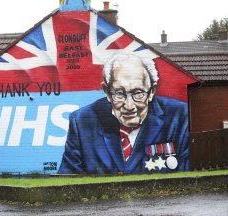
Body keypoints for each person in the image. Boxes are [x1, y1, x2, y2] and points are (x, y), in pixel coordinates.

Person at [58, 51, 189, 174]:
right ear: (107, 92)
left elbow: (186, 176)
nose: (129, 105)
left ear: (152, 91)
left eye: (138, 93)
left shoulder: (179, 116)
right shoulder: (82, 121)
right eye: (119, 94)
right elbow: (68, 179)